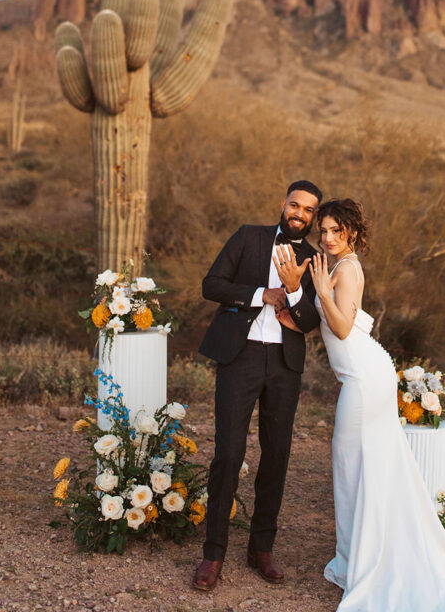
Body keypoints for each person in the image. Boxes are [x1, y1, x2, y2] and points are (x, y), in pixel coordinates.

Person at [275, 198, 445, 612]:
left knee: (353, 466)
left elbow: (343, 326)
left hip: (365, 380)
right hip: (364, 374)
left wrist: (320, 290)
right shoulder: (333, 266)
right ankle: (357, 559)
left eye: (337, 230)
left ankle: (367, 564)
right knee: (358, 468)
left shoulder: (347, 268)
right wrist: (296, 300)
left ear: (351, 232)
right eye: (325, 231)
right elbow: (324, 322)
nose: (328, 238)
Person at [192, 180, 322, 593]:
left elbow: (311, 319)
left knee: (277, 454)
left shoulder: (316, 260)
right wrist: (259, 294)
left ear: (313, 217)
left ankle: (261, 549)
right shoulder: (249, 236)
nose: (299, 213)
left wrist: (296, 288)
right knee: (229, 454)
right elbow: (211, 285)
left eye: (308, 210)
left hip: (284, 364)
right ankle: (213, 554)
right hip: (241, 356)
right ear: (283, 204)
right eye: (294, 205)